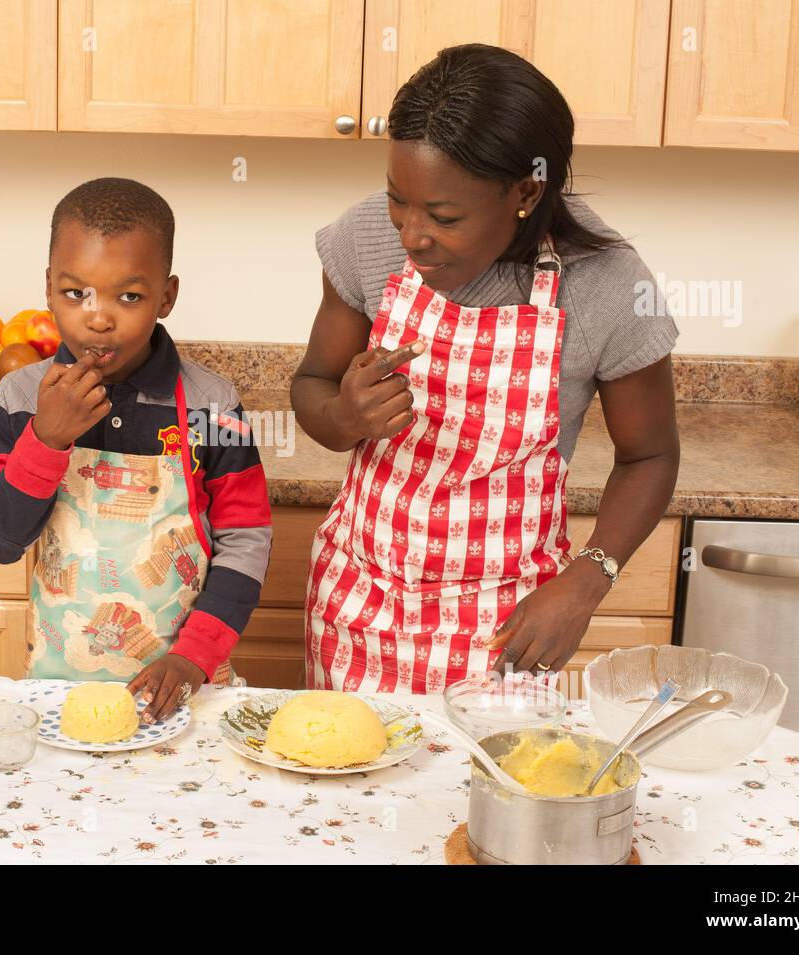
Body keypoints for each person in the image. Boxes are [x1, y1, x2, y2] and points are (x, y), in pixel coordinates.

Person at [292, 45, 680, 693]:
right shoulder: (367, 237)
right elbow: (311, 386)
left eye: (444, 217)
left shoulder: (605, 285)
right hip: (359, 605)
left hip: (506, 625)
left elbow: (651, 456)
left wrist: (585, 582)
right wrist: (343, 414)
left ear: (525, 191)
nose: (411, 235)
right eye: (398, 200)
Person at [0, 177, 272, 721]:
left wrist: (192, 659)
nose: (99, 317)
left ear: (167, 296)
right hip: (60, 694)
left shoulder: (212, 404)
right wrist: (46, 438)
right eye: (74, 293)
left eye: (128, 296)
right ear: (47, 288)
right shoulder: (20, 398)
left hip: (189, 687)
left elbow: (246, 542)